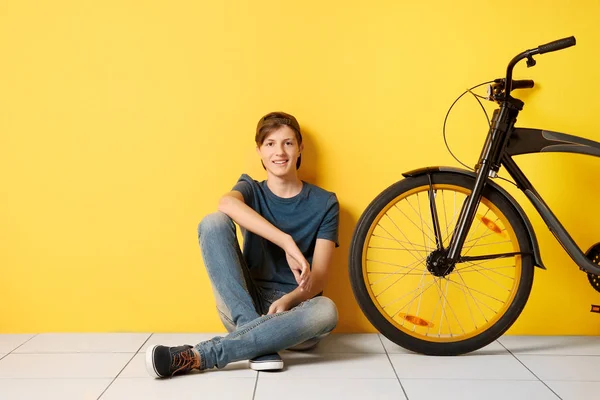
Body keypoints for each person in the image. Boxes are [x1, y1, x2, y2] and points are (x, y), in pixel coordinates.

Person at [145, 111, 340, 378]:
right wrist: (286, 242)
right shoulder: (250, 188)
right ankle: (254, 335)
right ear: (259, 151)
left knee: (326, 310)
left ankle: (201, 354)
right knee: (213, 222)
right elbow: (225, 204)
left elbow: (317, 280)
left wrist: (289, 299)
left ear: (300, 148)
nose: (279, 152)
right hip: (243, 305)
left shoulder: (325, 202)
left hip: (293, 316)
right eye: (270, 144)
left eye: (288, 143)